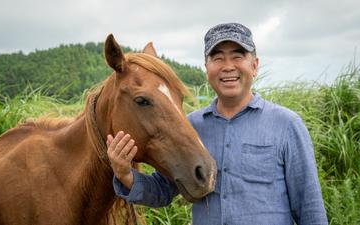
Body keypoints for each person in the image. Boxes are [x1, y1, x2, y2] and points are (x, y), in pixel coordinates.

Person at [107, 22, 328, 225]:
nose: (228, 66)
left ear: (255, 65)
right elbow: (163, 191)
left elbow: (310, 208)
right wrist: (126, 174)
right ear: (207, 67)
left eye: (238, 56)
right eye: (218, 58)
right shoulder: (192, 125)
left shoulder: (286, 125)